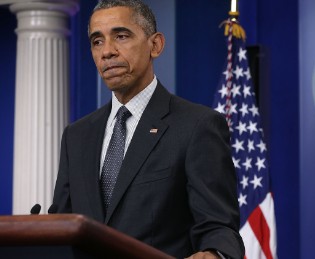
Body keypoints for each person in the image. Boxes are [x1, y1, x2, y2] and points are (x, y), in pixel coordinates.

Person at [52, 0, 244, 258]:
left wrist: (214, 253)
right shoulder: (76, 136)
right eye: (97, 41)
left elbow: (218, 226)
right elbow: (62, 228)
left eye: (121, 36)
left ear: (155, 45)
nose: (107, 52)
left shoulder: (197, 125)